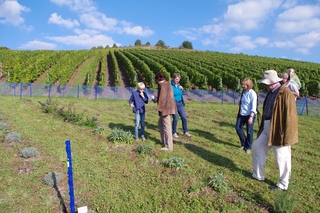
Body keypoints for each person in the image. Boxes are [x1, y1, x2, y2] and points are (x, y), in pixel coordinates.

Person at [248, 70, 298, 191]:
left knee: (282, 156)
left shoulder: (285, 92)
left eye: (268, 83)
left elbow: (291, 114)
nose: (266, 85)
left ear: (275, 81)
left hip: (279, 127)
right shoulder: (271, 92)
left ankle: (283, 184)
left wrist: (286, 133)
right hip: (267, 125)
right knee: (257, 147)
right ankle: (258, 175)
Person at [153, 72, 177, 151]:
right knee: (160, 124)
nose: (157, 81)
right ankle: (163, 140)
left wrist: (158, 106)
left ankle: (169, 146)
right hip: (170, 107)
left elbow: (162, 99)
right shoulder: (168, 84)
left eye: (157, 80)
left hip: (165, 109)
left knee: (167, 127)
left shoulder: (162, 86)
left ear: (158, 79)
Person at [235, 78, 257, 154]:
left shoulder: (252, 93)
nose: (243, 86)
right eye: (242, 84)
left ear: (249, 85)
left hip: (249, 114)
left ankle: (248, 147)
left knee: (249, 131)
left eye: (244, 85)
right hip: (241, 113)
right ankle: (243, 143)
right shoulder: (243, 92)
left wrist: (251, 117)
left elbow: (253, 106)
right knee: (238, 128)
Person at [170, 73, 191, 138]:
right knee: (176, 118)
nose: (177, 80)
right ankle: (174, 132)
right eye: (176, 79)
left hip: (180, 103)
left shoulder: (179, 86)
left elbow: (183, 93)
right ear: (173, 78)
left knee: (184, 117)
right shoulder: (170, 86)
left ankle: (185, 131)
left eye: (178, 79)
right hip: (174, 104)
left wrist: (182, 89)